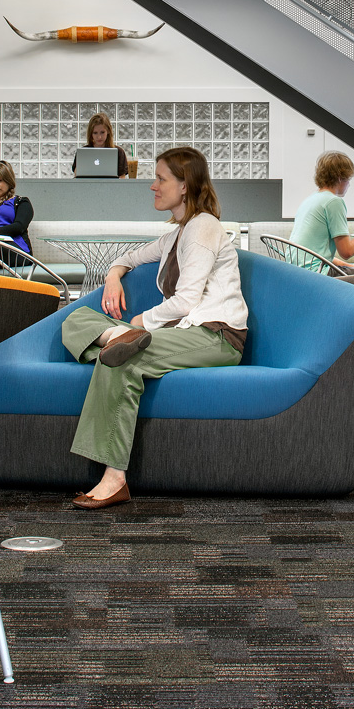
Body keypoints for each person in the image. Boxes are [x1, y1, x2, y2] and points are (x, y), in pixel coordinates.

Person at [59, 147, 247, 510]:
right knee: (75, 318)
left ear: (184, 186)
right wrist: (113, 275)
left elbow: (187, 301)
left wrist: (138, 322)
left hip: (215, 335)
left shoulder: (203, 227)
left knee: (121, 360)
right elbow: (129, 257)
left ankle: (114, 480)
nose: (153, 186)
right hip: (181, 333)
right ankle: (119, 339)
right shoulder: (176, 234)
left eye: (161, 179)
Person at [290, 151, 354, 274]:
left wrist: (345, 265)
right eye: (348, 179)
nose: (349, 184)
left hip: (298, 272)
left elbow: (314, 252)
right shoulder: (333, 202)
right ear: (340, 178)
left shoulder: (310, 200)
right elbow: (346, 252)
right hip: (319, 274)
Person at [70, 112, 129, 178]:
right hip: (87, 187)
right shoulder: (83, 153)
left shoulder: (119, 152)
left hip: (111, 187)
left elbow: (122, 179)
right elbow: (76, 175)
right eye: (95, 133)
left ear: (108, 131)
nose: (99, 137)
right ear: (91, 134)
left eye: (102, 132)